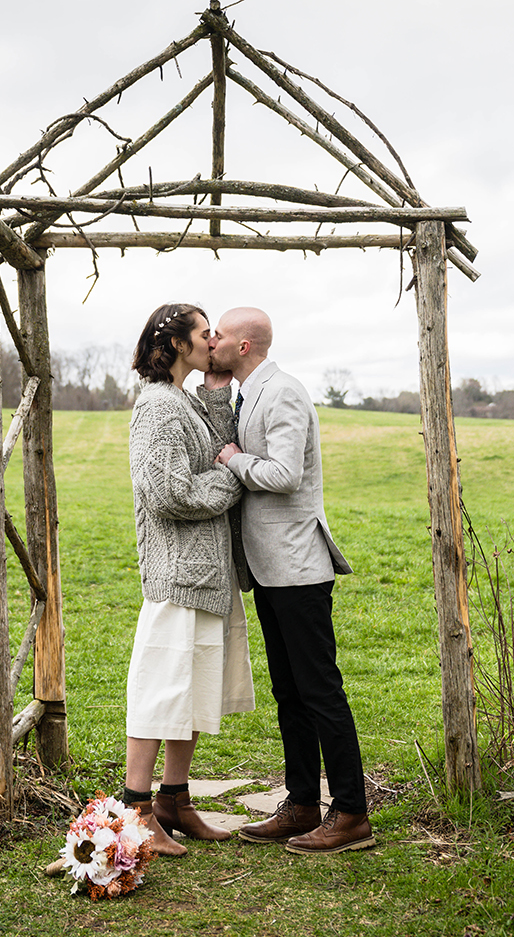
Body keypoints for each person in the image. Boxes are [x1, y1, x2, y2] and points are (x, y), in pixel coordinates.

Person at [206, 306, 374, 854]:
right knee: (289, 692)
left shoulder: (284, 392)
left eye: (220, 335)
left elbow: (283, 474)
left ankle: (350, 813)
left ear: (246, 346)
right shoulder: (247, 391)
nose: (211, 340)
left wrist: (233, 459)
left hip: (299, 569)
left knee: (320, 690)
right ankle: (302, 804)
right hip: (269, 569)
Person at [121, 301, 255, 856]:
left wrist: (218, 389)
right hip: (177, 574)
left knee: (193, 694)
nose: (214, 339)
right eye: (205, 334)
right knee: (160, 691)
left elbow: (220, 446)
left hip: (206, 574)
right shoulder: (156, 408)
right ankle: (134, 809)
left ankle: (174, 800)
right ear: (177, 343)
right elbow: (168, 492)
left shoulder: (184, 401)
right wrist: (232, 483)